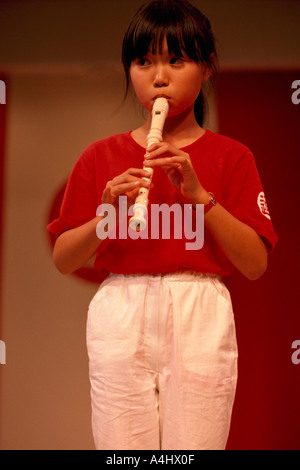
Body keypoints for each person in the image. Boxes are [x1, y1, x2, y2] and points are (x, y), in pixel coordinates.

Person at [47, 0, 278, 450]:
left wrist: (200, 197)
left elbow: (254, 264)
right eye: (143, 61)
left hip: (198, 310)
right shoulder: (99, 156)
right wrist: (106, 214)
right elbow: (63, 259)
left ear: (206, 67)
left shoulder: (232, 156)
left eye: (176, 60)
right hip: (120, 307)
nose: (159, 76)